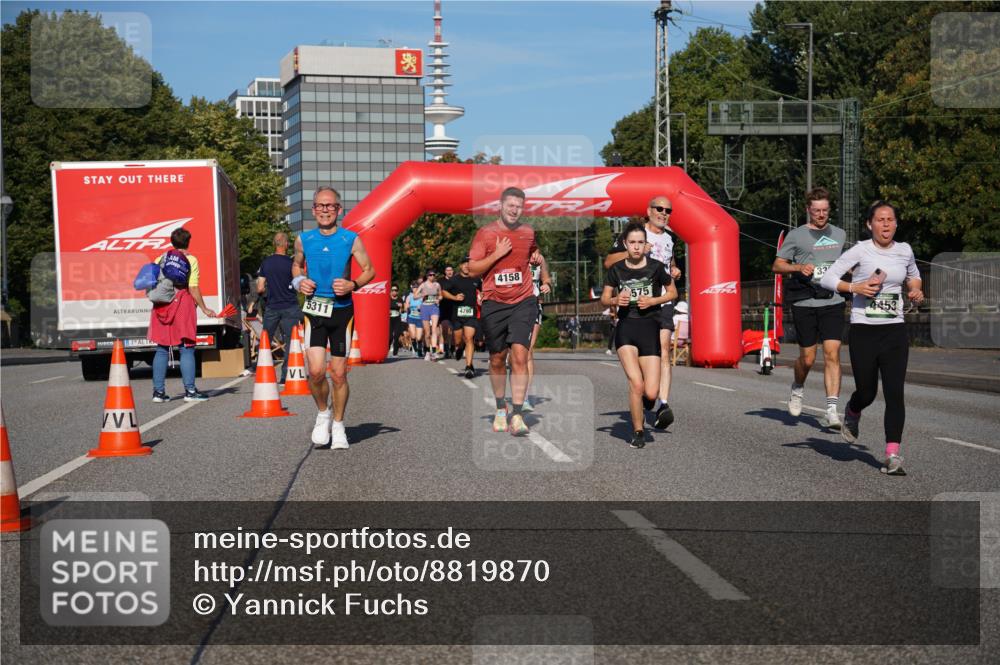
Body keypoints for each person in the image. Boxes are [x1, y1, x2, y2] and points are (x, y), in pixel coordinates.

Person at [820, 200, 923, 475]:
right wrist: (854, 287)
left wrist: (914, 290)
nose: (886, 224)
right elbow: (828, 278)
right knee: (867, 391)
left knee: (894, 393)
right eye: (880, 220)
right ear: (870, 224)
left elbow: (914, 276)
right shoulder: (860, 250)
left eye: (890, 219)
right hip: (864, 331)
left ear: (896, 223)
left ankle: (892, 455)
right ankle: (853, 411)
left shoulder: (905, 250)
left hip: (894, 331)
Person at [292, 186, 375, 450]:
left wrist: (353, 284)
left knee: (338, 374)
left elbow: (370, 270)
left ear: (339, 210)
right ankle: (323, 413)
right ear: (313, 209)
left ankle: (338, 424)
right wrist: (299, 280)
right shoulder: (303, 239)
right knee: (316, 371)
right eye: (320, 206)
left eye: (330, 206)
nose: (325, 210)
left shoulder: (351, 239)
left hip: (342, 312)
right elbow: (296, 265)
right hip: (314, 310)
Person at [467, 186, 543, 436]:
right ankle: (501, 408)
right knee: (498, 358)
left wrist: (536, 258)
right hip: (494, 302)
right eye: (510, 205)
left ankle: (518, 414)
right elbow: (473, 269)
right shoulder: (486, 234)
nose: (514, 210)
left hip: (523, 300)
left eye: (519, 206)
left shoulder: (528, 232)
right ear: (500, 206)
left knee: (520, 356)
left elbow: (533, 252)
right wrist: (497, 254)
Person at [772, 187, 848, 429]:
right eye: (817, 211)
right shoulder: (796, 236)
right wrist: (797, 268)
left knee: (832, 354)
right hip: (805, 302)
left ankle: (832, 409)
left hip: (833, 301)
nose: (821, 215)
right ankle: (798, 387)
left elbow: (845, 263)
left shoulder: (840, 234)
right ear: (808, 210)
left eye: (825, 210)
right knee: (807, 358)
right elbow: (777, 265)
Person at [603, 195, 682, 429]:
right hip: (636, 308)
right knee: (645, 355)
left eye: (668, 210)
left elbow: (670, 262)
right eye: (659, 209)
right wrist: (636, 251)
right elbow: (609, 262)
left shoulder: (669, 238)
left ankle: (663, 403)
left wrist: (675, 270)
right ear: (649, 211)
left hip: (660, 302)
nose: (664, 213)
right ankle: (648, 394)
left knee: (664, 348)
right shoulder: (636, 235)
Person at [148, 228, 216, 402]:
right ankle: (190, 391)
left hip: (161, 306)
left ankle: (158, 393)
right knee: (186, 348)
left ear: (172, 241)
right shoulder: (190, 260)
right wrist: (204, 308)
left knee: (162, 349)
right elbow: (192, 287)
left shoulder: (160, 258)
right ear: (188, 242)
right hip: (182, 305)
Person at [256, 232, 303, 384]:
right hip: (290, 305)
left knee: (265, 339)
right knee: (291, 341)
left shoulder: (266, 263)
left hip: (272, 307)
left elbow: (260, 288)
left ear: (274, 244)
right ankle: (285, 376)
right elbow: (300, 283)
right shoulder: (292, 264)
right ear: (286, 244)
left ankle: (263, 373)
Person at [441, 256, 482, 379]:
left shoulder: (476, 279)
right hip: (457, 315)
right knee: (458, 340)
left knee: (469, 338)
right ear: (460, 266)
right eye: (464, 264)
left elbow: (484, 290)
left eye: (468, 264)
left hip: (471, 314)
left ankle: (469, 366)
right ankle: (459, 347)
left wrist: (483, 295)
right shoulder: (454, 280)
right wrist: (454, 298)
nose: (466, 266)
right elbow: (443, 292)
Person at [523, 257, 552, 411]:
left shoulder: (540, 260)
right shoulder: (514, 256)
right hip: (514, 307)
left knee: (528, 350)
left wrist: (547, 284)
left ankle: (525, 396)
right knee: (516, 352)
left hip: (534, 306)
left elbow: (546, 277)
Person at [417, 269, 442, 361]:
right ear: (427, 276)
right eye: (430, 275)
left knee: (434, 329)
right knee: (427, 333)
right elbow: (415, 296)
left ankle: (434, 352)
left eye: (433, 275)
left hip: (434, 307)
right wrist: (422, 295)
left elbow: (441, 295)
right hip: (425, 308)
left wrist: (438, 299)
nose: (432, 276)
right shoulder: (423, 285)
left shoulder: (437, 285)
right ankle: (428, 351)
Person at [439, 265, 456, 359]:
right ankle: (446, 349)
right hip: (444, 307)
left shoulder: (457, 280)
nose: (449, 272)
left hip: (455, 308)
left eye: (451, 270)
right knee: (445, 329)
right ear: (445, 272)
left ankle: (452, 349)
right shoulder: (440, 281)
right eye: (447, 270)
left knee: (454, 331)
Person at [405, 281, 424, 357]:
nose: (415, 289)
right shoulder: (409, 296)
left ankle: (419, 350)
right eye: (413, 287)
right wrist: (407, 307)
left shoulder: (421, 296)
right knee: (413, 336)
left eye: (416, 287)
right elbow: (406, 305)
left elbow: (426, 305)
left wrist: (421, 307)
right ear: (411, 288)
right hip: (411, 317)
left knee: (419, 337)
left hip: (420, 318)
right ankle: (415, 350)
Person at [388, 284, 405, 355]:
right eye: (393, 290)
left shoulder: (400, 299)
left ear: (398, 292)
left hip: (397, 318)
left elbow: (403, 310)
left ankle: (395, 352)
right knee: (390, 336)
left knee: (397, 335)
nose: (394, 292)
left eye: (396, 290)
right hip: (389, 318)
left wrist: (401, 308)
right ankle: (387, 348)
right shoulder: (387, 298)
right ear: (391, 291)